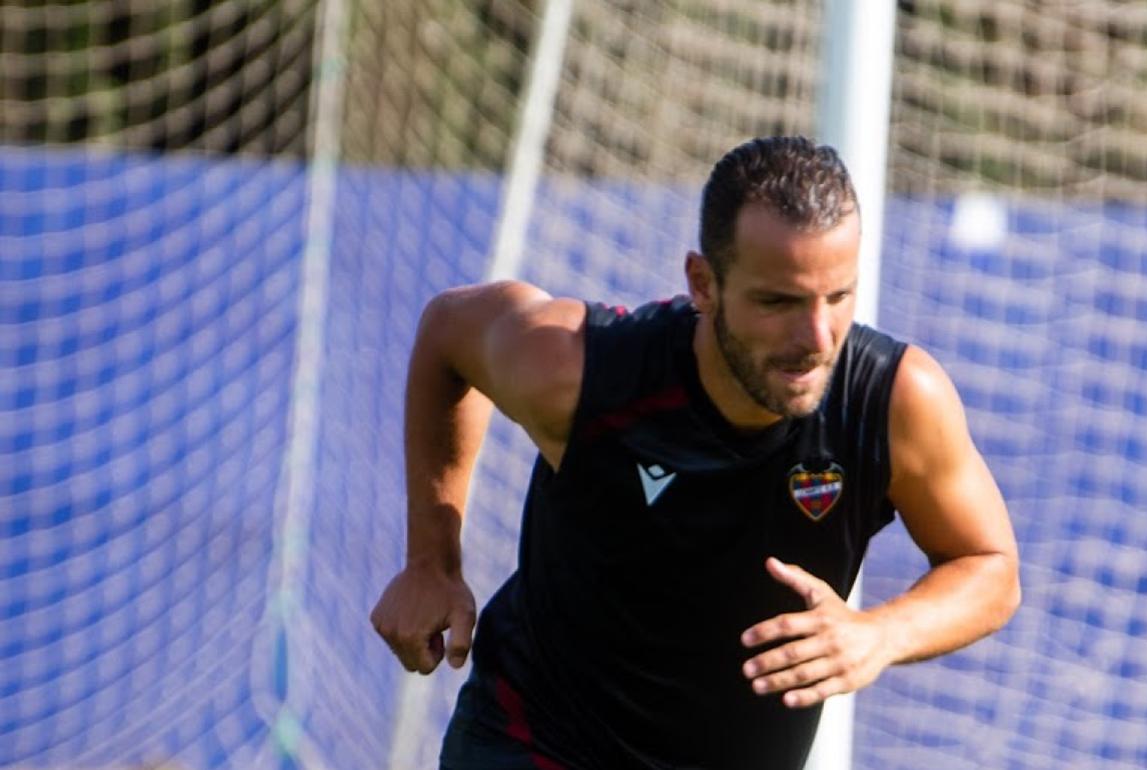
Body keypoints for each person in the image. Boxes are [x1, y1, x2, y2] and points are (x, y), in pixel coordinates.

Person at [371, 136, 1020, 769]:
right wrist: (431, 560)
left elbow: (989, 566)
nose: (817, 337)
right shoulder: (579, 371)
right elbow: (449, 330)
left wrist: (880, 635)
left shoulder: (896, 400)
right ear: (703, 283)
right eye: (779, 301)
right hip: (531, 743)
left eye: (839, 296)